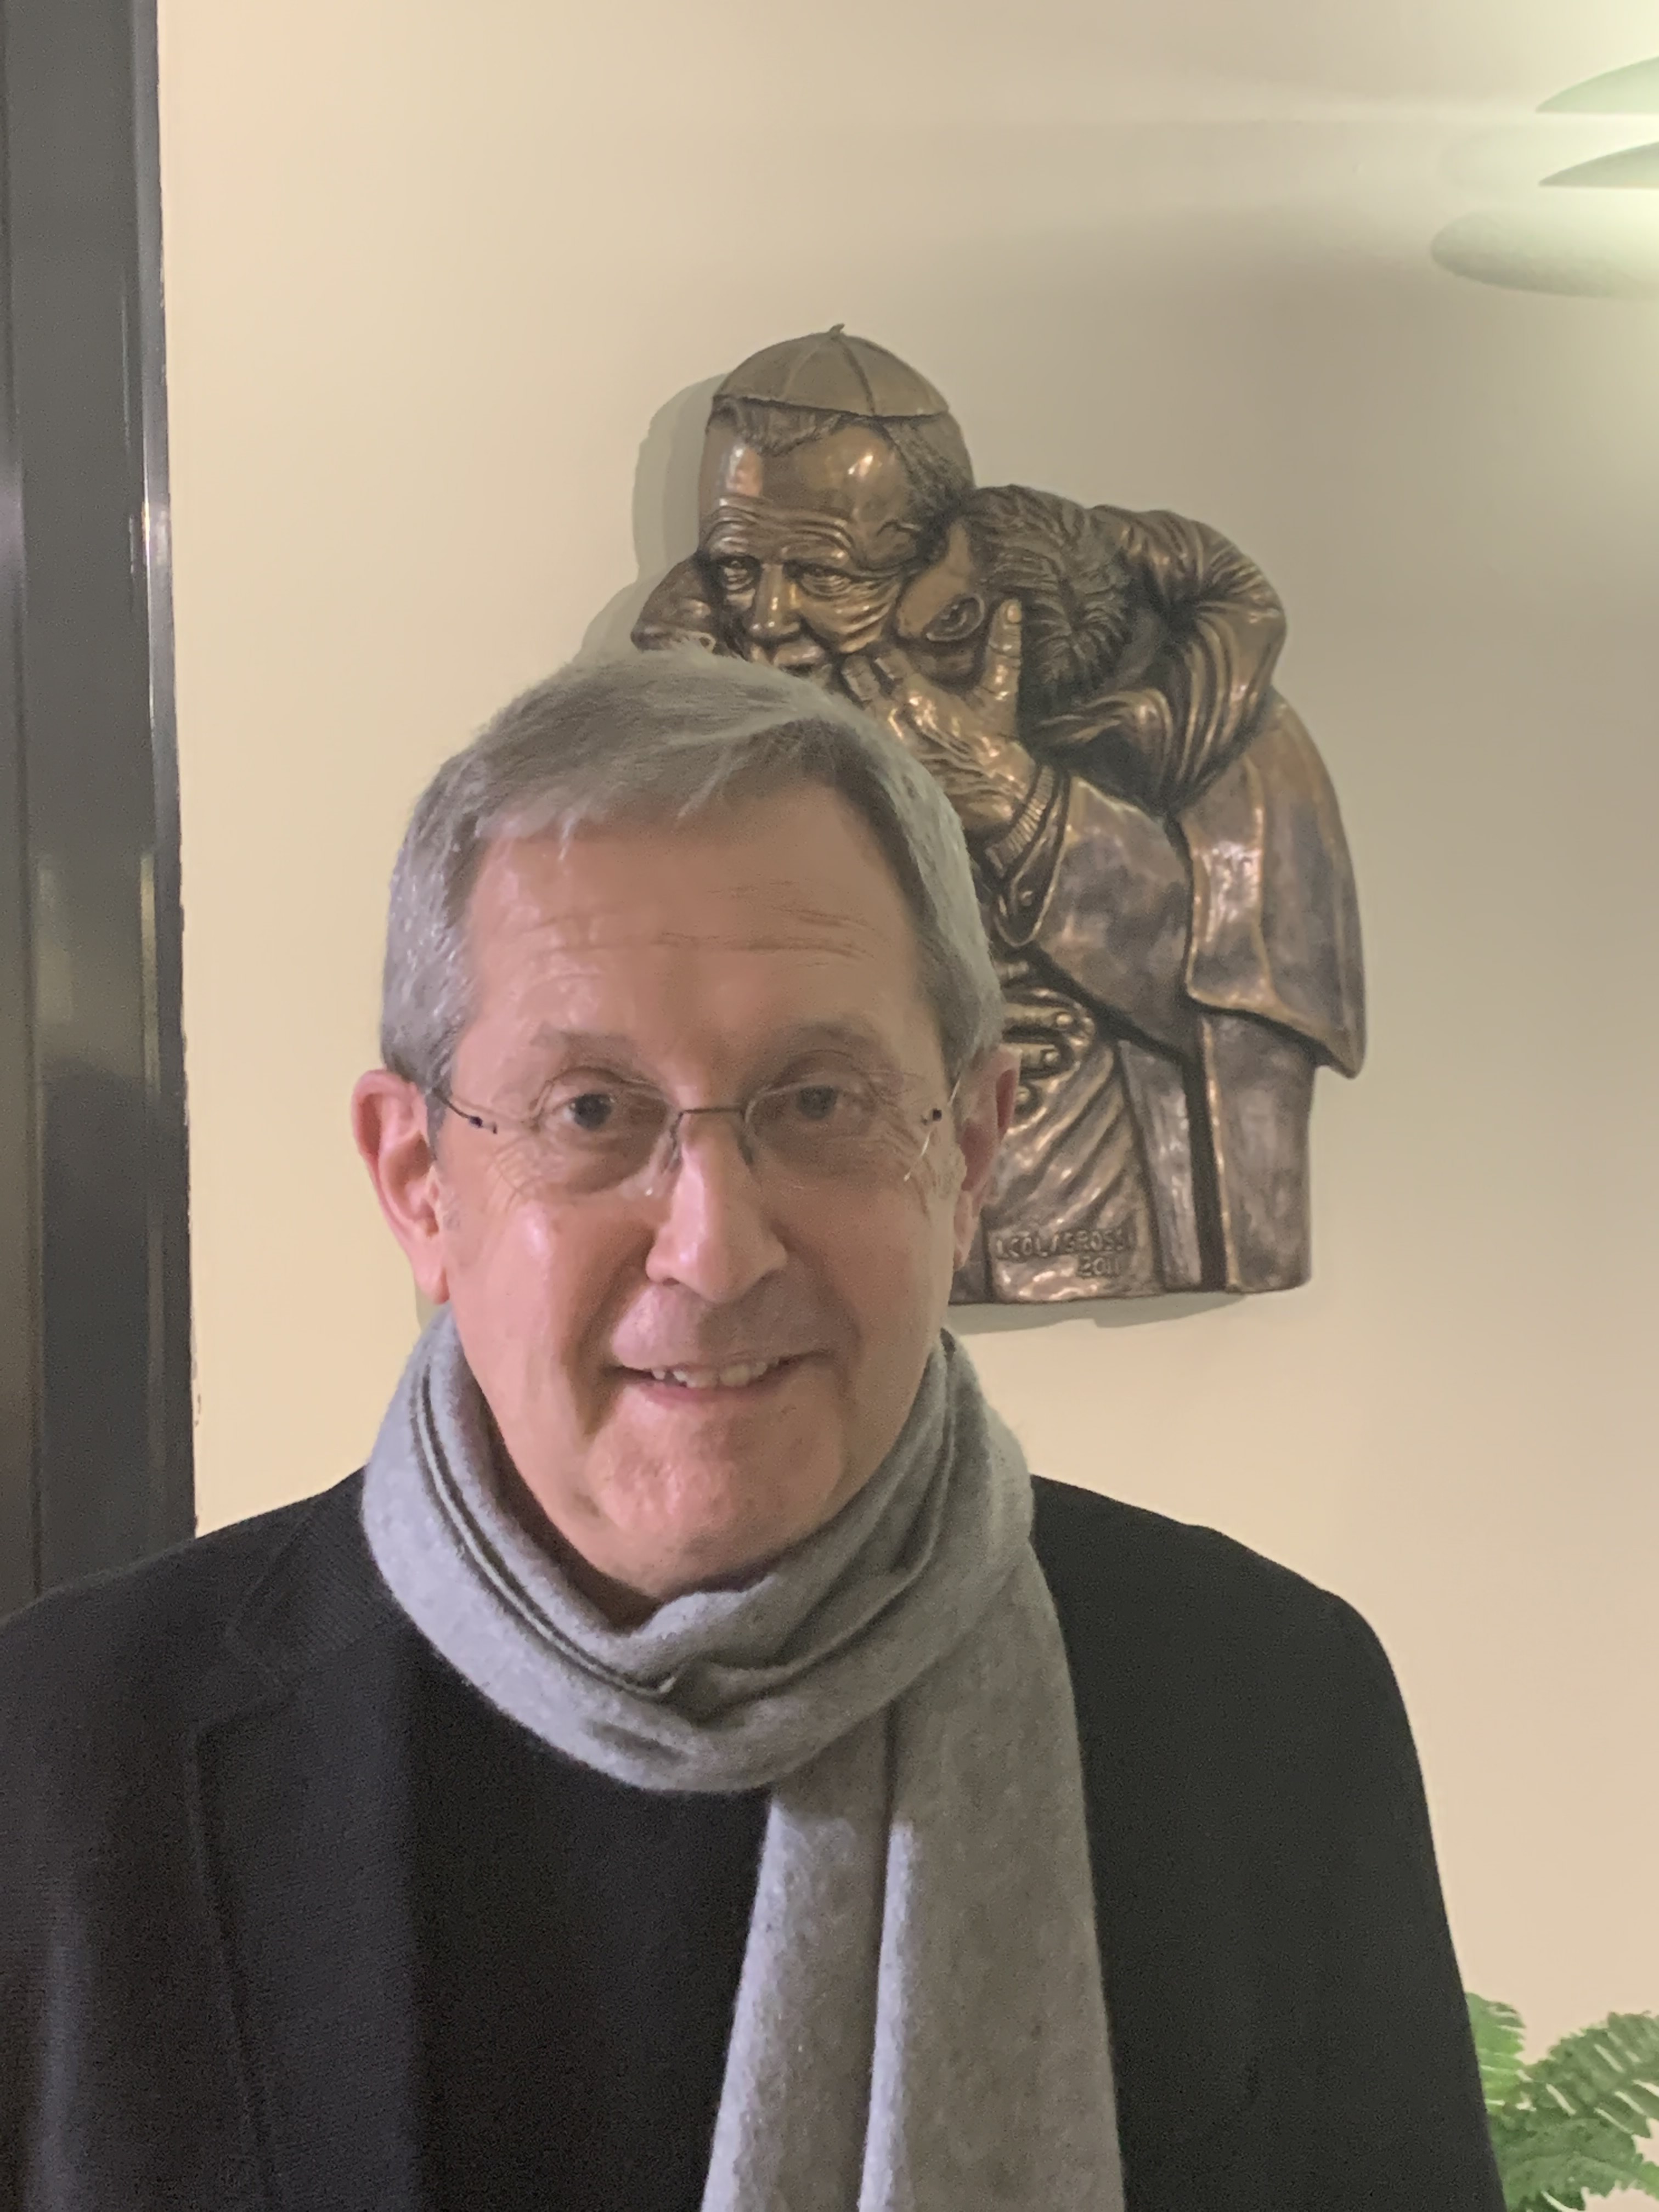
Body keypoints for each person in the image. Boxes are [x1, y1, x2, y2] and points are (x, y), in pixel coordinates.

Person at [0, 650, 1499, 2212]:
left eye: (820, 1100)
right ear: (418, 1182)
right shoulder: (68, 1760)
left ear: (974, 1150)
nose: (714, 1252)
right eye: (592, 1111)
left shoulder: (1268, 1719)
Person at [635, 329, 1365, 1303]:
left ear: (937, 561)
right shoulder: (671, 737)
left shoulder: (1195, 714)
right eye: (736, 569)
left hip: (1082, 1189)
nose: (767, 618)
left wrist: (1018, 805)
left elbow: (1251, 990)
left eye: (827, 577)